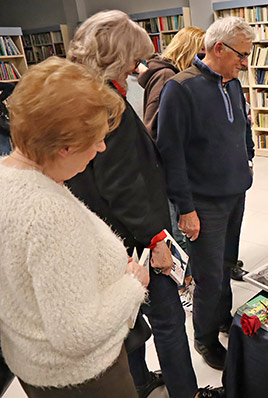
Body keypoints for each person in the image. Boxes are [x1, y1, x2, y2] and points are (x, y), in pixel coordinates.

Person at [66, 10, 221, 398]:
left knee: (126, 320)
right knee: (167, 319)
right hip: (135, 236)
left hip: (106, 235)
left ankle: (139, 383)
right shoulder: (104, 103)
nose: (137, 67)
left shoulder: (77, 92)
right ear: (112, 56)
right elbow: (122, 183)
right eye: (132, 57)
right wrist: (156, 239)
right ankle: (187, 392)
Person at [0, 56, 148, 398]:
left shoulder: (10, 177)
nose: (101, 147)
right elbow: (76, 333)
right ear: (63, 147)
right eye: (95, 139)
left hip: (34, 367)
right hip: (83, 379)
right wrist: (132, 284)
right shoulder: (48, 213)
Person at [156, 16, 255, 370]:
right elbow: (171, 153)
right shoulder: (180, 88)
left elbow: (243, 126)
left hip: (235, 194)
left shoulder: (234, 84)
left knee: (227, 264)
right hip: (204, 202)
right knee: (209, 276)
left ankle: (223, 318)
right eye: (241, 55)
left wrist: (249, 157)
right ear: (218, 48)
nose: (245, 63)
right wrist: (186, 208)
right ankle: (205, 338)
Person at [137, 26, 205, 311]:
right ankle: (183, 286)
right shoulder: (168, 77)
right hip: (166, 170)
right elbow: (156, 129)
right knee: (178, 229)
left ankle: (185, 283)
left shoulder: (168, 75)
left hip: (170, 168)